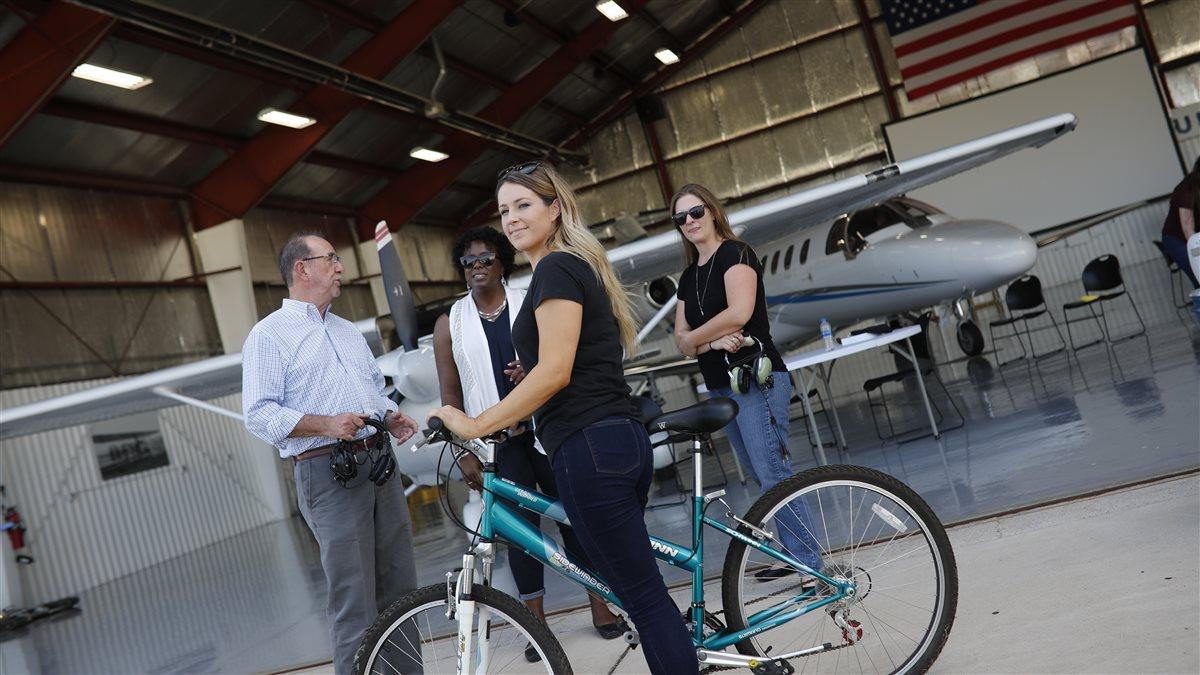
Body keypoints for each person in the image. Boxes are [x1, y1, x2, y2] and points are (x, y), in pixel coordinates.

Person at [429, 162, 698, 674]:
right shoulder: (568, 268)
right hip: (613, 437)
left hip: (588, 445)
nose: (511, 218)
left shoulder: (554, 270)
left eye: (523, 206)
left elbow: (554, 373)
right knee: (639, 588)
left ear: (555, 209)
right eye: (504, 209)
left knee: (644, 600)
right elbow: (564, 362)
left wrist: (474, 425)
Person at [431, 225, 628, 662]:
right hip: (497, 446)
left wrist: (533, 371)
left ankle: (600, 603)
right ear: (461, 270)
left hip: (547, 431)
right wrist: (463, 448)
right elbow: (451, 392)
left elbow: (562, 357)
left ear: (503, 263)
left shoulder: (532, 298)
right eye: (468, 261)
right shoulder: (450, 323)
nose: (477, 267)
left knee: (574, 517)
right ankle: (535, 625)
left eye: (486, 259)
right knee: (520, 535)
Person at [242, 232, 421, 675]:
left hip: (379, 464)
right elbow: (259, 414)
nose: (341, 267)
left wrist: (390, 415)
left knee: (402, 591)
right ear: (302, 269)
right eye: (332, 259)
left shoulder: (347, 331)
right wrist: (327, 425)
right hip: (328, 474)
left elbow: (372, 391)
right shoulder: (268, 336)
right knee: (353, 604)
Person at [670, 183, 823, 578]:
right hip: (722, 385)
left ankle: (811, 565)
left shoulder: (737, 254)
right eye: (681, 217)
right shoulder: (688, 276)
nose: (689, 221)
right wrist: (709, 341)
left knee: (772, 471)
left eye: (696, 212)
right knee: (760, 474)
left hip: (756, 380)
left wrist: (698, 339)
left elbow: (739, 312)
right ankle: (794, 555)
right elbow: (680, 342)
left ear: (713, 211)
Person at [1162, 157, 1200, 290]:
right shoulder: (1186, 190)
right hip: (1178, 240)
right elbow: (1189, 233)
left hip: (1195, 237)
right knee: (1199, 277)